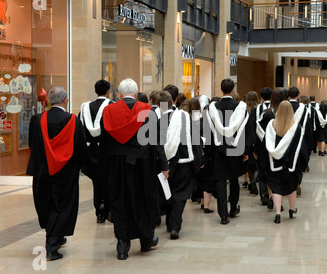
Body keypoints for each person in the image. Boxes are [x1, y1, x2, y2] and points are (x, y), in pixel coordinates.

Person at [100, 78, 169, 260]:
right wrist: (164, 165)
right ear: (137, 94)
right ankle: (146, 240)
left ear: (119, 94)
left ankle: (122, 245)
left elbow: (104, 142)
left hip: (116, 166)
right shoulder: (148, 112)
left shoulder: (108, 111)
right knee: (143, 200)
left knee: (119, 202)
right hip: (142, 166)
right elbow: (157, 143)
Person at [26, 87, 87, 261]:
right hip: (65, 174)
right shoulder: (73, 121)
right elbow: (80, 148)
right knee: (62, 206)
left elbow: (32, 144)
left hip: (42, 172)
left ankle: (57, 236)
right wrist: (80, 166)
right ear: (66, 100)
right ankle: (52, 246)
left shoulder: (37, 120)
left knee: (46, 204)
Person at [206, 79, 251, 225]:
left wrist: (208, 153)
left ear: (221, 89)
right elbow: (246, 131)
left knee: (220, 180)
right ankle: (233, 208)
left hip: (218, 150)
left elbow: (208, 133)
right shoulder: (239, 107)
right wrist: (245, 150)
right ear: (232, 90)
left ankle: (223, 215)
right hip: (235, 147)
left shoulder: (213, 108)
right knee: (233, 179)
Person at [161, 93, 203, 239]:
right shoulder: (185, 117)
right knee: (181, 194)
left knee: (168, 192)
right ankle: (175, 226)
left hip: (165, 163)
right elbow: (195, 139)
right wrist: (199, 160)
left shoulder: (157, 119)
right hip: (185, 162)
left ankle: (169, 223)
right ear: (173, 101)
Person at [263, 101, 308, 224]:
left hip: (274, 163)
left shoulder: (271, 125)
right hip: (290, 164)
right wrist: (304, 163)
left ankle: (278, 213)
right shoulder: (296, 127)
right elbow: (302, 148)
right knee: (291, 187)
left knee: (276, 188)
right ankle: (292, 209)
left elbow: (264, 145)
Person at [79, 80, 112, 223]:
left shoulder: (85, 107)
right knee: (107, 181)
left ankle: (98, 210)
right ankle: (106, 208)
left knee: (96, 182)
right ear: (108, 91)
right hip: (105, 151)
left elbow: (79, 129)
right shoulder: (111, 107)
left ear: (95, 91)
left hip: (89, 151)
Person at [254, 88, 288, 210]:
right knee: (281, 174)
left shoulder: (267, 113)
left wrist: (256, 150)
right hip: (284, 148)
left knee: (270, 174)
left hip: (268, 149)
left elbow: (260, 133)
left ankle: (272, 197)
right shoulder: (288, 114)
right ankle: (280, 202)